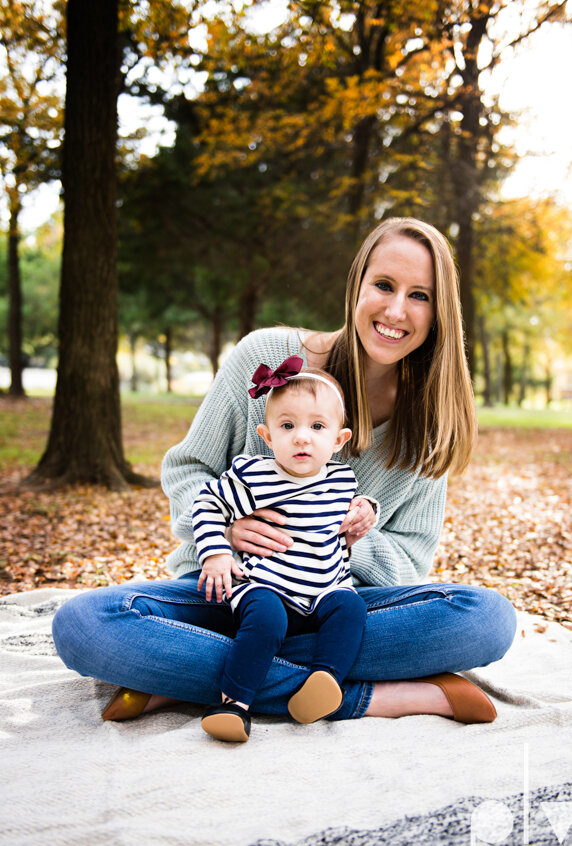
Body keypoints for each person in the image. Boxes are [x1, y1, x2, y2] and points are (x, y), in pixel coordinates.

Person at [52, 216, 516, 729]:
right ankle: (373, 694)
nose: (396, 309)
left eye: (420, 295)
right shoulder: (267, 359)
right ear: (356, 285)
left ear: (439, 311)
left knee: (488, 620)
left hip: (340, 606)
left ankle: (187, 676)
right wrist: (225, 531)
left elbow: (410, 558)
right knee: (85, 625)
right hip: (229, 593)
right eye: (384, 285)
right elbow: (189, 469)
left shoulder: (429, 421)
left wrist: (341, 531)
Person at [194, 359, 373, 742]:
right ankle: (234, 705)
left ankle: (324, 681)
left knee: (352, 608)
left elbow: (350, 515)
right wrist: (216, 553)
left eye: (317, 426)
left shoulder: (343, 479)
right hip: (267, 584)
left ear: (339, 440)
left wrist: (367, 508)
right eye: (288, 426)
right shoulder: (253, 475)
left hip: (325, 586)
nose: (302, 437)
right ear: (268, 435)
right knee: (266, 622)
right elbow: (207, 504)